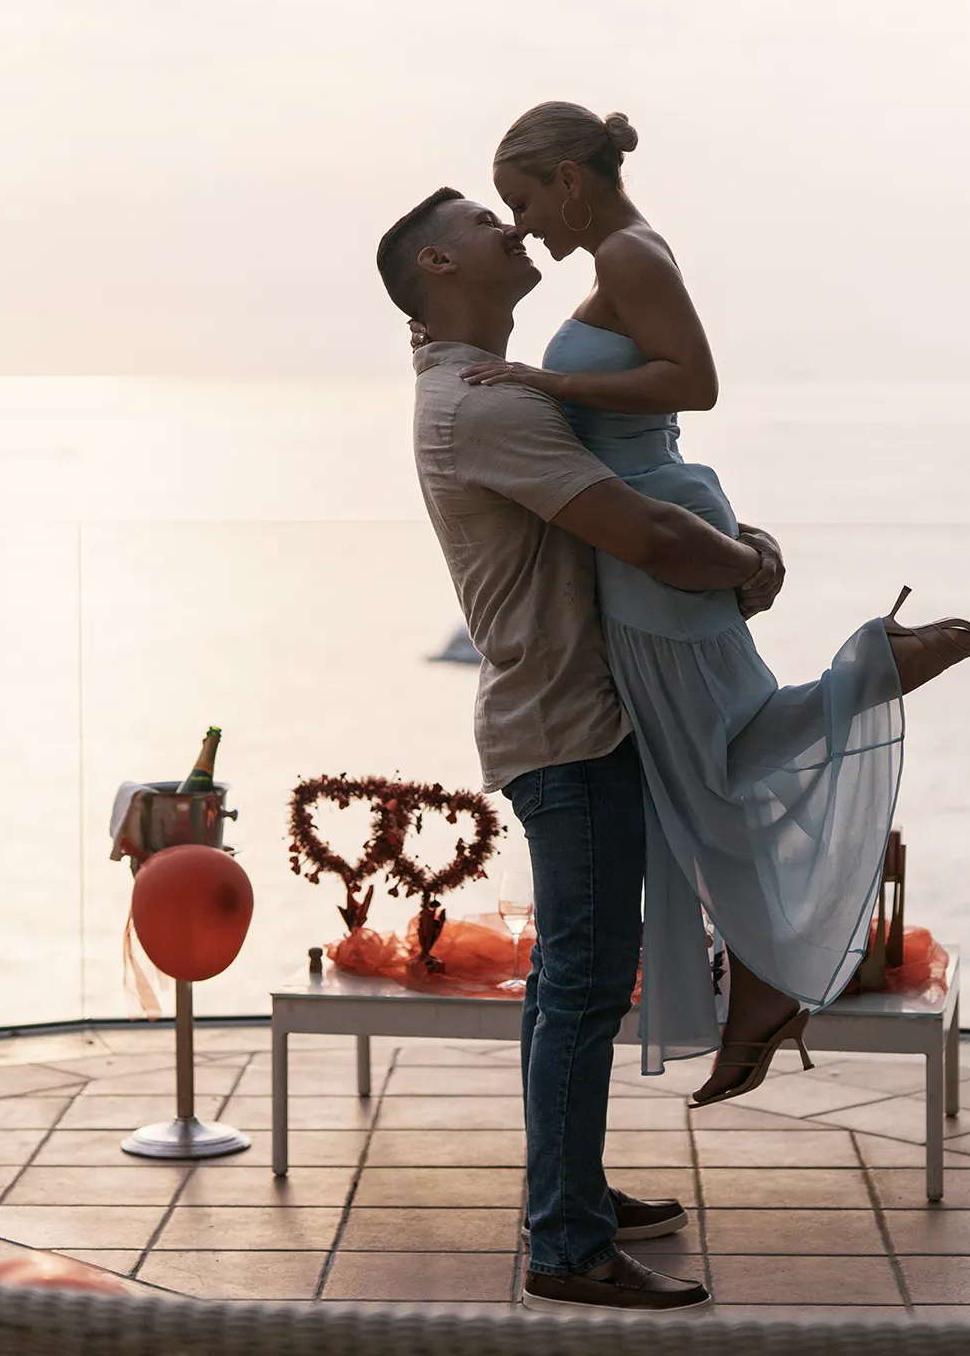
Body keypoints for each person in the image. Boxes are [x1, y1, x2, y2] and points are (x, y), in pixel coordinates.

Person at [463, 100, 970, 1107]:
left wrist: (549, 384)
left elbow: (696, 382)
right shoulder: (623, 255)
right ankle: (881, 669)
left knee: (705, 768)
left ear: (570, 180)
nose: (523, 225)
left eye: (525, 199)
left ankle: (767, 978)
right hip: (655, 520)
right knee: (714, 757)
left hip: (656, 532)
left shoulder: (631, 254)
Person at [377, 186, 782, 1312]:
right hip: (569, 728)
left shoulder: (477, 392)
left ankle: (576, 1195)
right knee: (586, 984)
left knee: (570, 982)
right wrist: (748, 562)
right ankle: (564, 1240)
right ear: (437, 266)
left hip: (563, 716)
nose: (509, 229)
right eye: (479, 221)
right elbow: (643, 531)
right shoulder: (484, 406)